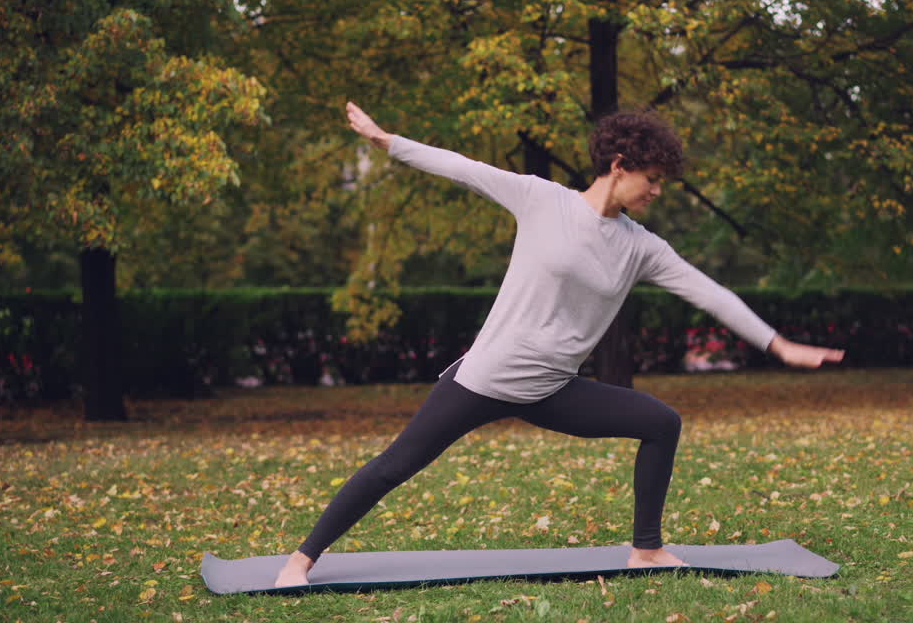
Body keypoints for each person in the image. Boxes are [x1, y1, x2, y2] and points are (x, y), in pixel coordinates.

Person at [273, 102, 845, 587]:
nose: (657, 190)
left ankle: (646, 547)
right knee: (392, 467)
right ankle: (301, 560)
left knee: (661, 422)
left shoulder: (641, 247)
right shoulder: (541, 200)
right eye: (652, 177)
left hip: (552, 389)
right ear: (619, 166)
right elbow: (461, 167)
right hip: (483, 379)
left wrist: (778, 345)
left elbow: (708, 292)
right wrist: (386, 140)